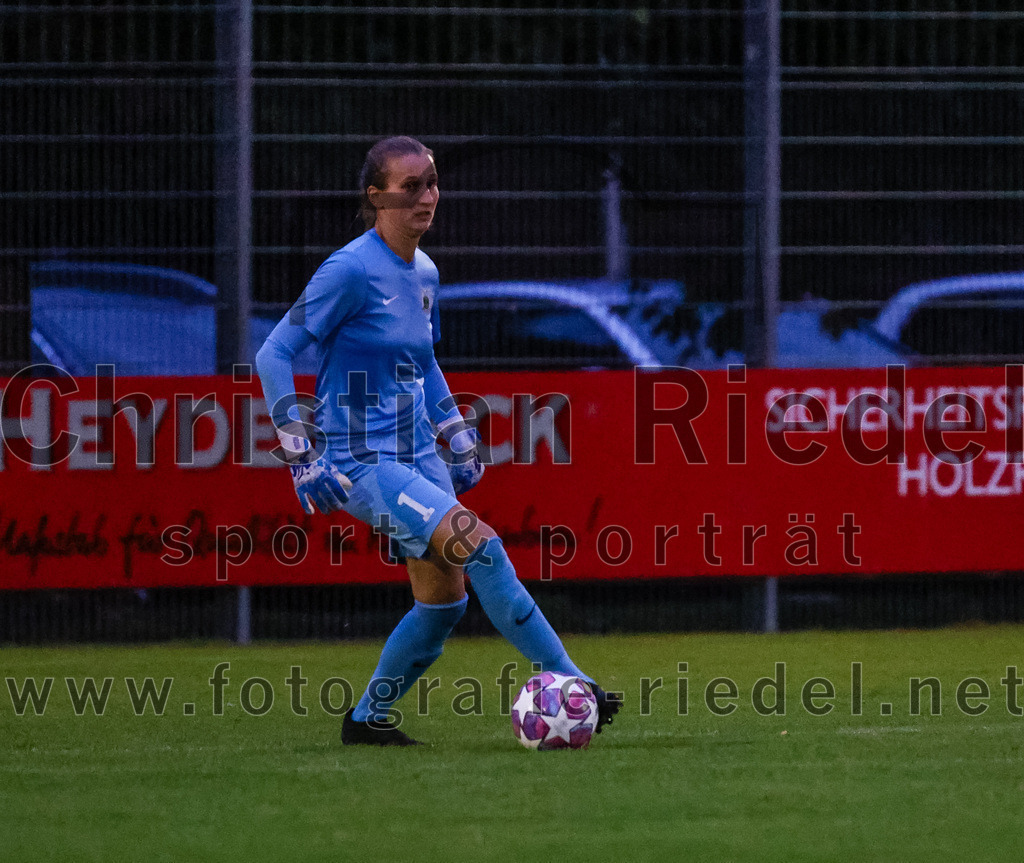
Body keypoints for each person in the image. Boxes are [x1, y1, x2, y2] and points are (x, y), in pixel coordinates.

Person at [255, 135, 621, 746]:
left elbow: (424, 365)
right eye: (411, 187)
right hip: (362, 461)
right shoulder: (348, 270)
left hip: (417, 454)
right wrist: (302, 455)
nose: (428, 196)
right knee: (483, 547)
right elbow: (274, 353)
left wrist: (454, 431)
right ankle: (573, 681)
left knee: (444, 601)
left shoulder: (425, 272)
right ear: (376, 198)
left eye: (431, 182)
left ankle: (367, 721)